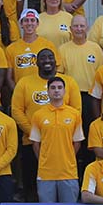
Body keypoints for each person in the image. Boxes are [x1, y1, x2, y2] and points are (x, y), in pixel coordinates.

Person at [13, 49, 83, 196]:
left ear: (56, 61)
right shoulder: (24, 82)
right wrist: (37, 133)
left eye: (50, 57)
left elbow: (77, 110)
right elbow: (16, 111)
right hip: (32, 144)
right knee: (33, 191)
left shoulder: (69, 82)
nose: (47, 61)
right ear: (36, 62)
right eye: (43, 58)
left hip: (63, 147)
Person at [29, 76, 85, 203]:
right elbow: (35, 143)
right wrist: (44, 159)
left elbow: (77, 142)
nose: (56, 91)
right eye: (53, 88)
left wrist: (67, 156)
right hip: (46, 174)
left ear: (65, 91)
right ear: (48, 91)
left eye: (60, 88)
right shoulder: (38, 115)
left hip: (68, 173)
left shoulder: (74, 114)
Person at [59, 14, 103, 106]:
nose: (79, 29)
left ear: (87, 28)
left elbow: (101, 73)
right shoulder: (62, 49)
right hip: (70, 95)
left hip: (92, 96)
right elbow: (60, 74)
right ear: (70, 29)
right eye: (76, 26)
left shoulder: (95, 48)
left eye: (82, 26)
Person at [6, 9, 57, 87]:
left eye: (32, 20)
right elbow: (9, 77)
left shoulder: (48, 45)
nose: (29, 23)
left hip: (43, 92)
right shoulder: (11, 49)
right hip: (21, 91)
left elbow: (56, 69)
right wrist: (17, 92)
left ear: (37, 23)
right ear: (21, 24)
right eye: (26, 20)